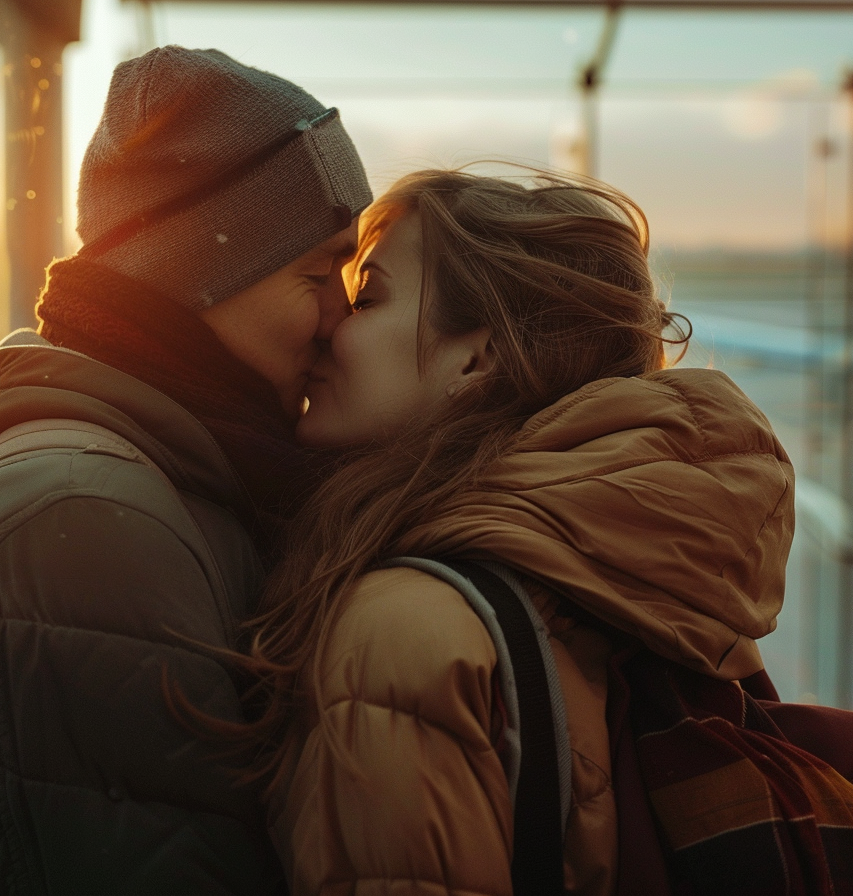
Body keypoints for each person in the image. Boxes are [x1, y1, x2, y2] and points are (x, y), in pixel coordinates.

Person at [0, 46, 371, 895]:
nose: (342, 317)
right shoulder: (82, 536)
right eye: (318, 273)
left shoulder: (169, 477)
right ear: (204, 276)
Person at [230, 168, 795, 895]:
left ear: (479, 357)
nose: (327, 325)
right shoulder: (661, 592)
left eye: (368, 296)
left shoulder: (404, 629)